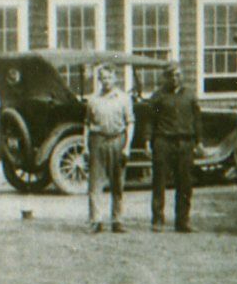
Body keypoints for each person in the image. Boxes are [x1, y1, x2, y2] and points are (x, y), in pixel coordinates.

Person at [142, 63, 199, 232]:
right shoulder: (158, 96)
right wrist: (147, 141)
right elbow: (149, 120)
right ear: (165, 77)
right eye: (171, 75)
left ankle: (182, 221)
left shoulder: (190, 95)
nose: (175, 79)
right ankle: (157, 220)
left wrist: (198, 141)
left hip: (185, 142)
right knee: (159, 182)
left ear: (182, 76)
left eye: (178, 75)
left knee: (185, 184)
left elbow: (197, 119)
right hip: (163, 142)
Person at [84, 65, 130, 233]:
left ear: (115, 78)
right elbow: (87, 124)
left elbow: (130, 123)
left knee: (118, 183)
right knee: (95, 184)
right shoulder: (92, 100)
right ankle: (96, 221)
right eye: (103, 78)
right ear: (99, 80)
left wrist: (127, 146)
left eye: (109, 77)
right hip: (98, 141)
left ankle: (117, 220)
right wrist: (85, 146)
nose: (107, 81)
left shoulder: (124, 98)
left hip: (117, 140)